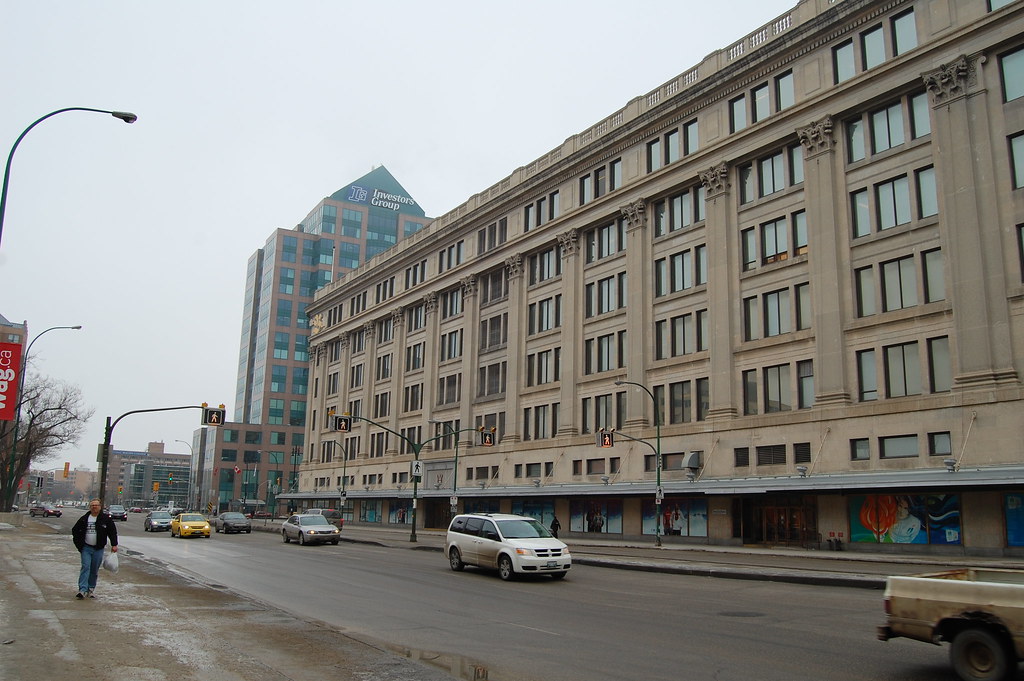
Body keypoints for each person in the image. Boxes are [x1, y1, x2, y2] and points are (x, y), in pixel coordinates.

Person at [71, 498, 118, 599]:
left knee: (94, 569)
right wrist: (80, 546)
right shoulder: (84, 519)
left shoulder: (105, 519)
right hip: (86, 548)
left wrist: (114, 544)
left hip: (98, 549)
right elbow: (75, 531)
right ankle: (82, 590)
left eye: (96, 505)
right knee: (85, 567)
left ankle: (90, 589)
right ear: (90, 507)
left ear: (100, 507)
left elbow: (112, 532)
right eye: (92, 505)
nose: (94, 507)